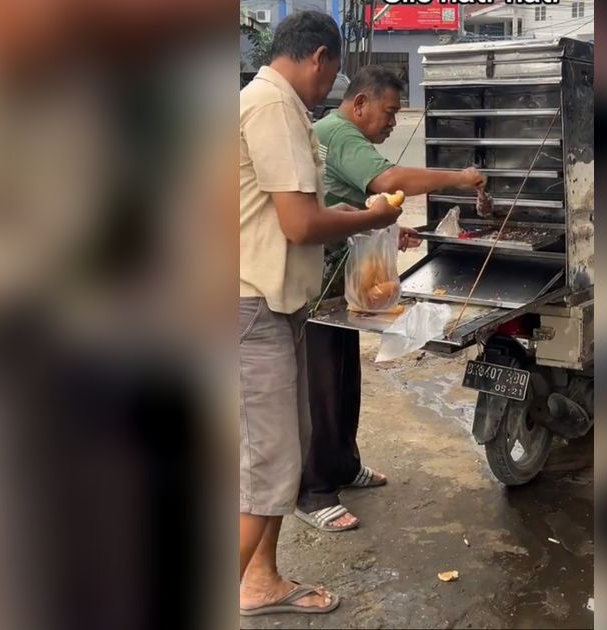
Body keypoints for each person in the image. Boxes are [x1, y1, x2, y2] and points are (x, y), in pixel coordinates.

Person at [237, 12, 402, 617]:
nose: (329, 85)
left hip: (275, 304)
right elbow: (301, 223)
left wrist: (362, 221)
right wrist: (374, 218)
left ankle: (262, 580)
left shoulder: (273, 103)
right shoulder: (273, 106)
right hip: (252, 304)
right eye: (332, 73)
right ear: (322, 59)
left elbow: (299, 209)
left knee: (281, 456)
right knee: (267, 464)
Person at [294, 65, 485, 532]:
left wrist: (385, 226)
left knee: (342, 376)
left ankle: (343, 464)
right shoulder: (340, 133)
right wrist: (460, 178)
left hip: (340, 281)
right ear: (360, 103)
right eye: (390, 112)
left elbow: (341, 197)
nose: (394, 123)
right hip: (317, 282)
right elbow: (388, 180)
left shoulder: (331, 131)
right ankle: (314, 490)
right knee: (318, 386)